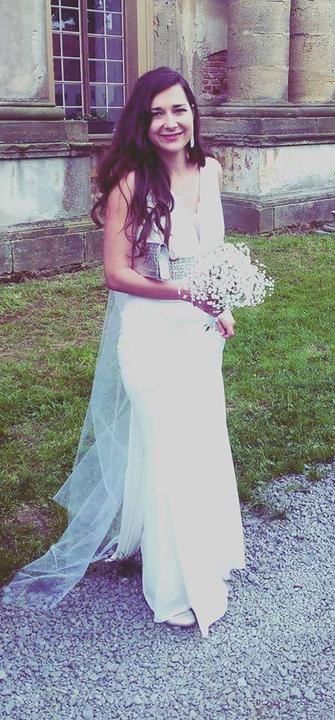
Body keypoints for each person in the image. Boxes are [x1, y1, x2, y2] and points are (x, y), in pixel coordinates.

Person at [2, 68, 246, 639]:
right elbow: (116, 274)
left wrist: (220, 304)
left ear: (194, 113)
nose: (170, 122)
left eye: (179, 109)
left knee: (201, 442)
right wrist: (184, 293)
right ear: (142, 121)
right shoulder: (130, 183)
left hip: (199, 334)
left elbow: (212, 251)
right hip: (152, 336)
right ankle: (173, 586)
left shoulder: (210, 170)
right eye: (157, 113)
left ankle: (205, 550)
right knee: (167, 453)